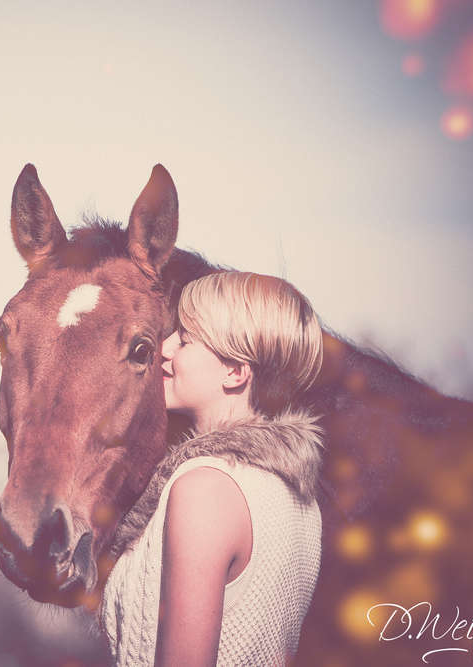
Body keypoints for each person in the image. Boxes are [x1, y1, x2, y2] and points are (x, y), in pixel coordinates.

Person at [100, 270, 325, 667]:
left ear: (235, 371)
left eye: (185, 340)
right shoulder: (296, 496)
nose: (165, 348)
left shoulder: (205, 487)